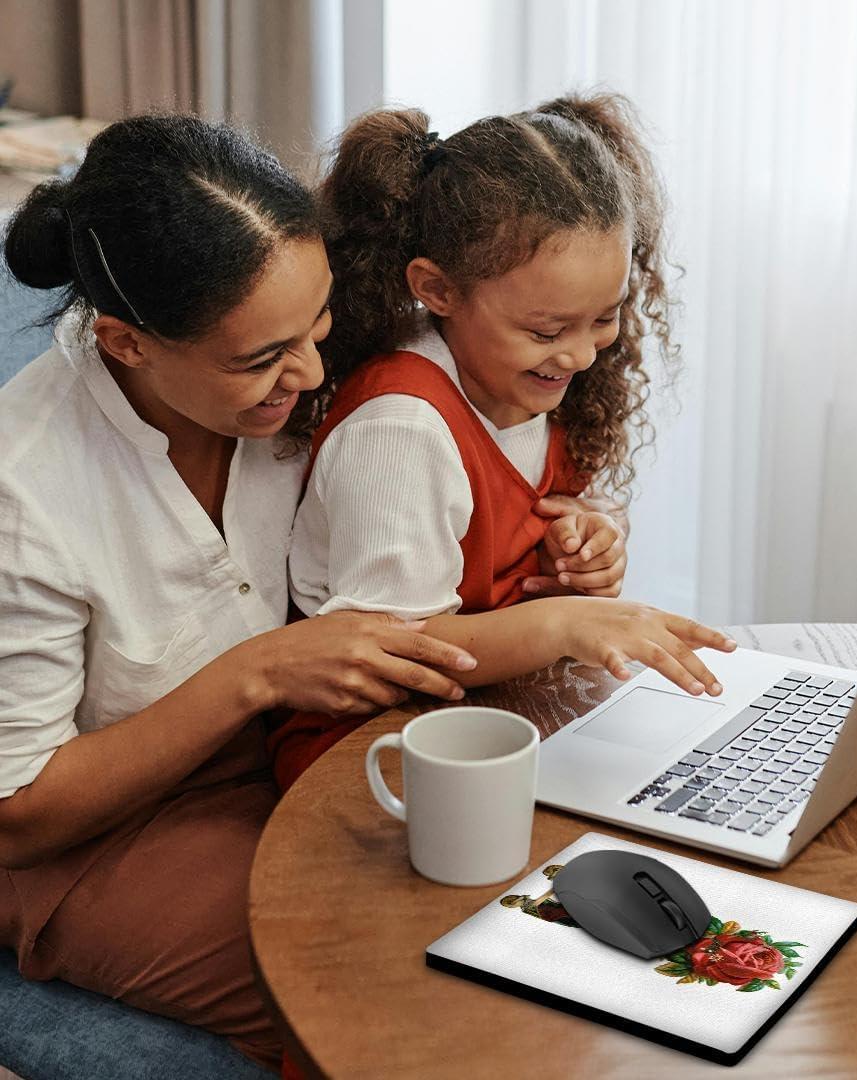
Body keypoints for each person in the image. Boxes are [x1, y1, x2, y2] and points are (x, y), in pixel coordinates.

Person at [0, 114, 477, 1071]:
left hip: (291, 764)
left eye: (320, 327)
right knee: (388, 995)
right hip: (95, 841)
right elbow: (19, 810)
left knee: (504, 923)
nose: (307, 374)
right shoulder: (28, 490)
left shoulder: (294, 384)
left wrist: (579, 522)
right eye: (261, 358)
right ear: (126, 344)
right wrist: (257, 674)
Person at [269, 93, 737, 793]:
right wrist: (565, 625)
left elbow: (525, 520)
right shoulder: (399, 431)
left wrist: (588, 542)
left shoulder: (522, 382)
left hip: (497, 717)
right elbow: (400, 649)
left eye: (604, 319)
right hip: (369, 751)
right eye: (548, 331)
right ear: (436, 289)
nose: (581, 357)